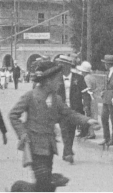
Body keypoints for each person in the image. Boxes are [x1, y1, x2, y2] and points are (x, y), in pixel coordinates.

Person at [9, 61, 99, 193]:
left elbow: (69, 114)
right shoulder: (31, 96)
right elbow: (13, 115)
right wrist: (22, 134)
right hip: (34, 146)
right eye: (57, 80)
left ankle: (20, 189)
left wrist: (88, 120)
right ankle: (19, 188)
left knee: (45, 185)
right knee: (45, 182)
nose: (59, 83)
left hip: (49, 147)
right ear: (47, 81)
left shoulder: (56, 99)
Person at [54, 55, 90, 163]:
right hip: (62, 109)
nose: (60, 66)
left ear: (68, 65)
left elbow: (85, 94)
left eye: (62, 64)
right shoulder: (56, 78)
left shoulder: (79, 78)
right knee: (64, 130)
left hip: (75, 109)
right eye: (59, 64)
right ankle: (69, 153)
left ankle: (66, 152)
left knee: (71, 131)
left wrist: (86, 106)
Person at [99, 55, 113, 147]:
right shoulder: (108, 72)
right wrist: (103, 90)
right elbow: (105, 84)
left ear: (108, 63)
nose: (104, 65)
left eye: (105, 63)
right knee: (103, 117)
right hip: (106, 97)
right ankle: (106, 137)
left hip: (112, 97)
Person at [76, 61, 97, 138]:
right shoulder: (92, 77)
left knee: (88, 114)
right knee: (92, 114)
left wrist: (85, 102)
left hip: (89, 98)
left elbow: (87, 90)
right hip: (94, 97)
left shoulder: (86, 78)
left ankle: (91, 133)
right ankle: (89, 132)